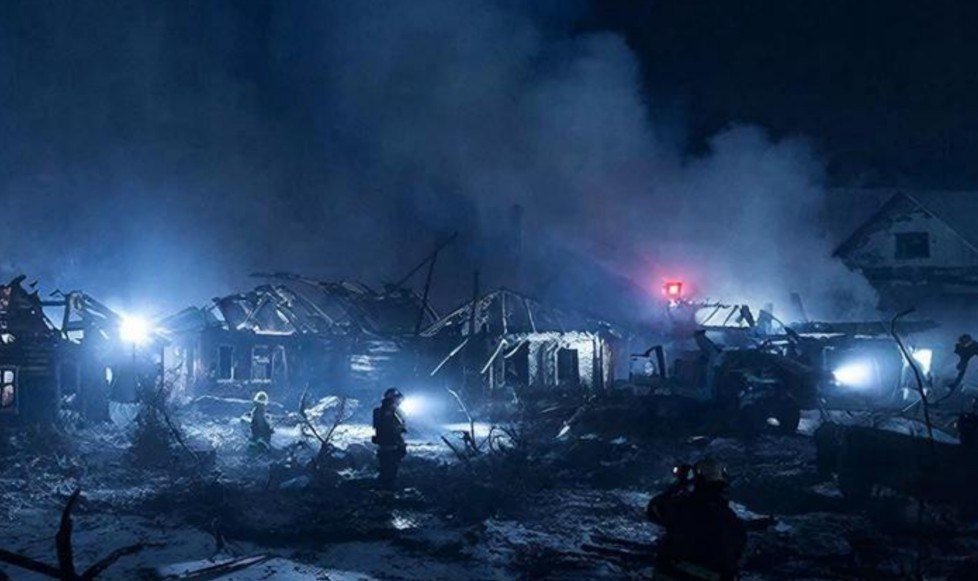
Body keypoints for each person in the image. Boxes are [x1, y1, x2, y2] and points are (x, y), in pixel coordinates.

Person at [646, 457, 747, 580]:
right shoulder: (733, 522)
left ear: (696, 481)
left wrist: (680, 483)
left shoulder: (683, 507)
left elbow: (654, 509)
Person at [372, 388, 407, 489]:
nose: (399, 403)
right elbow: (388, 429)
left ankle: (385, 492)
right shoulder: (386, 412)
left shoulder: (389, 411)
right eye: (398, 400)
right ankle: (385, 493)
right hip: (390, 448)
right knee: (389, 474)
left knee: (388, 473)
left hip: (389, 448)